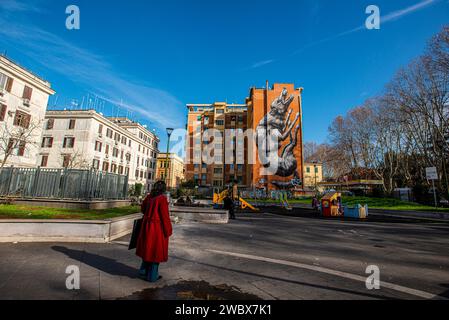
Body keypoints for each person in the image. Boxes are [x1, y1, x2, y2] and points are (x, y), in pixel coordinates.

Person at [136, 181, 173, 282]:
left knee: (147, 250)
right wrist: (168, 230)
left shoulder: (149, 197)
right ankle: (152, 276)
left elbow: (143, 209)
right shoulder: (162, 199)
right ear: (163, 189)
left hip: (146, 227)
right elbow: (165, 217)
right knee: (155, 252)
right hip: (156, 229)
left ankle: (143, 271)